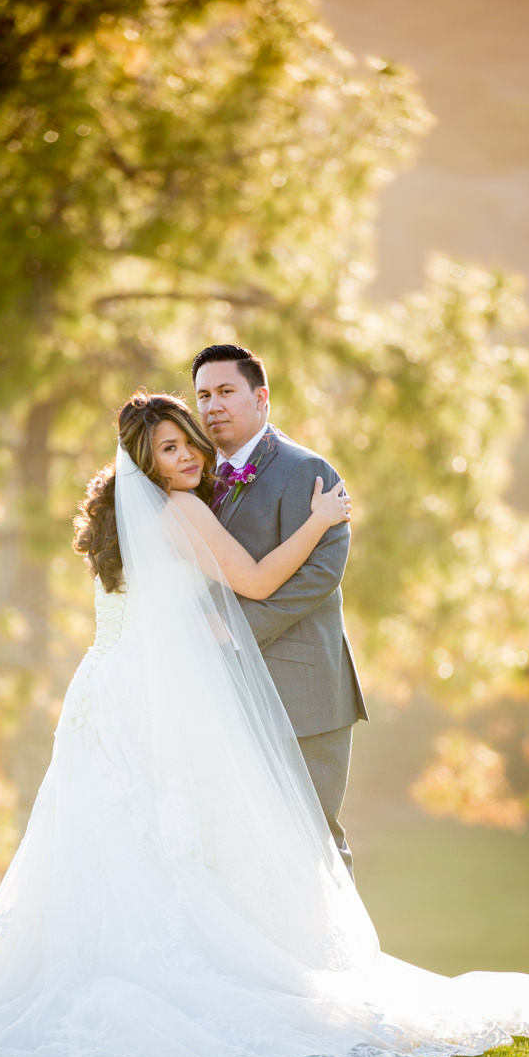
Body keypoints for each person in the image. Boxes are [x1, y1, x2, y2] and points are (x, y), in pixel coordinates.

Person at [0, 391, 529, 1057]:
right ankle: (183, 973)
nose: (188, 457)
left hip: (101, 692)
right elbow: (257, 582)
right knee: (167, 836)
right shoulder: (181, 510)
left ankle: (115, 968)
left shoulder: (116, 524)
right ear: (145, 461)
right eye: (169, 449)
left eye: (188, 442)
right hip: (153, 697)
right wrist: (321, 521)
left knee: (113, 840)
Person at [192, 344, 366, 877]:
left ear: (260, 397)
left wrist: (235, 629)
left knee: (313, 838)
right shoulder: (189, 473)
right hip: (223, 689)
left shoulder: (306, 468)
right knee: (243, 844)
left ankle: (343, 958)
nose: (212, 406)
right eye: (203, 395)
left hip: (304, 691)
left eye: (226, 392)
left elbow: (321, 573)